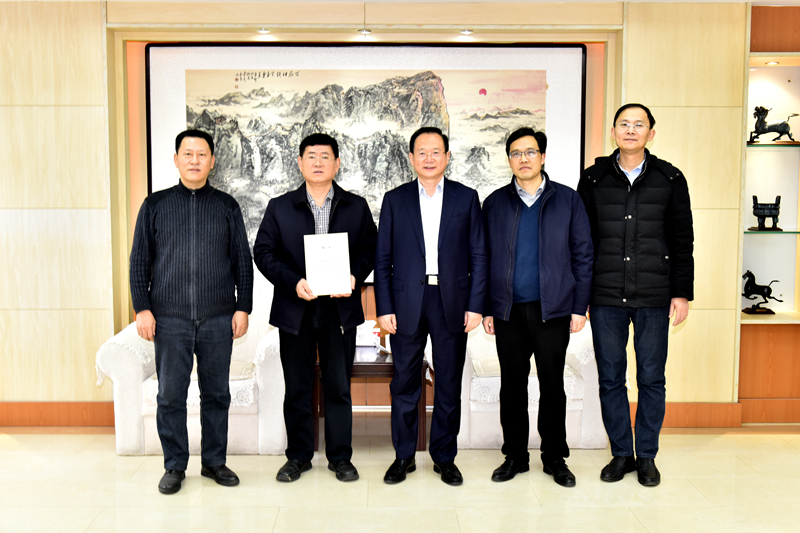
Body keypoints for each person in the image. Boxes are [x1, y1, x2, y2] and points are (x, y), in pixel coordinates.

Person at [130, 129, 253, 495]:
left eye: (202, 154)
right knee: (170, 396)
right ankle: (174, 465)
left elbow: (242, 262)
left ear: (212, 161)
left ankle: (214, 461)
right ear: (176, 160)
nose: (195, 160)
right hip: (169, 319)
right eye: (188, 154)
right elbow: (139, 261)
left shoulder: (227, 206)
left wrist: (243, 307)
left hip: (218, 318)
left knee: (216, 394)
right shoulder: (155, 205)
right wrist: (142, 308)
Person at [577, 104, 694, 487]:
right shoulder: (593, 179)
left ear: (650, 134)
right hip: (605, 294)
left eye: (638, 125)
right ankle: (621, 454)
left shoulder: (670, 178)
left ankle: (646, 456)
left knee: (651, 379)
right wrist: (582, 294)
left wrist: (681, 293)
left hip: (654, 294)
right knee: (611, 379)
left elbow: (682, 239)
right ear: (613, 132)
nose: (631, 130)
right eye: (624, 124)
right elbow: (581, 241)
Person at [253, 133, 377, 483]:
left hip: (340, 310)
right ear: (300, 163)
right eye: (311, 156)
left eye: (325, 156)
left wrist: (354, 276)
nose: (318, 162)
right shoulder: (280, 207)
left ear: (337, 164)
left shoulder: (356, 206)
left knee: (338, 386)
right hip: (296, 309)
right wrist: (293, 281)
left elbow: (372, 249)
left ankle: (340, 457)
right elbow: (263, 252)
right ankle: (298, 457)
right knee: (297, 387)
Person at [374, 126, 487, 486]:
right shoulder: (395, 199)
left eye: (435, 151)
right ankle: (403, 456)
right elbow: (382, 259)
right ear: (411, 158)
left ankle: (444, 457)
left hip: (452, 300)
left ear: (447, 157)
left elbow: (479, 255)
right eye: (421, 152)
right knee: (404, 382)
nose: (428, 158)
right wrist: (384, 307)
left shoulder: (466, 198)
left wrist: (476, 305)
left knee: (448, 381)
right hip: (405, 302)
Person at [482, 128, 593, 487]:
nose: (524, 159)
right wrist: (487, 307)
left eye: (530, 152)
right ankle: (515, 455)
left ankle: (554, 457)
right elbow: (483, 259)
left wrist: (579, 306)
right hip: (508, 311)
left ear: (542, 157)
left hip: (554, 310)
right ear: (509, 160)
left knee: (552, 385)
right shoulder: (495, 203)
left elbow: (583, 255)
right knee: (512, 386)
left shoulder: (568, 200)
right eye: (516, 153)